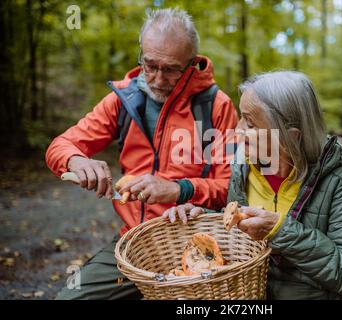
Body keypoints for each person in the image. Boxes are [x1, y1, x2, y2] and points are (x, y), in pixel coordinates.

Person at [45, 8, 238, 299]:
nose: (158, 79)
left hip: (197, 242)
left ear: (192, 64)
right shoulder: (123, 100)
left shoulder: (214, 107)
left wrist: (178, 189)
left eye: (170, 69)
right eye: (150, 65)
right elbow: (60, 146)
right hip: (134, 240)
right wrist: (76, 159)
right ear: (141, 56)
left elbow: (230, 188)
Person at [165, 71, 342, 300]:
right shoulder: (244, 165)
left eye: (251, 124)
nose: (237, 131)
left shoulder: (340, 178)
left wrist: (281, 231)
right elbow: (239, 236)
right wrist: (204, 218)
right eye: (241, 118)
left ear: (290, 137)